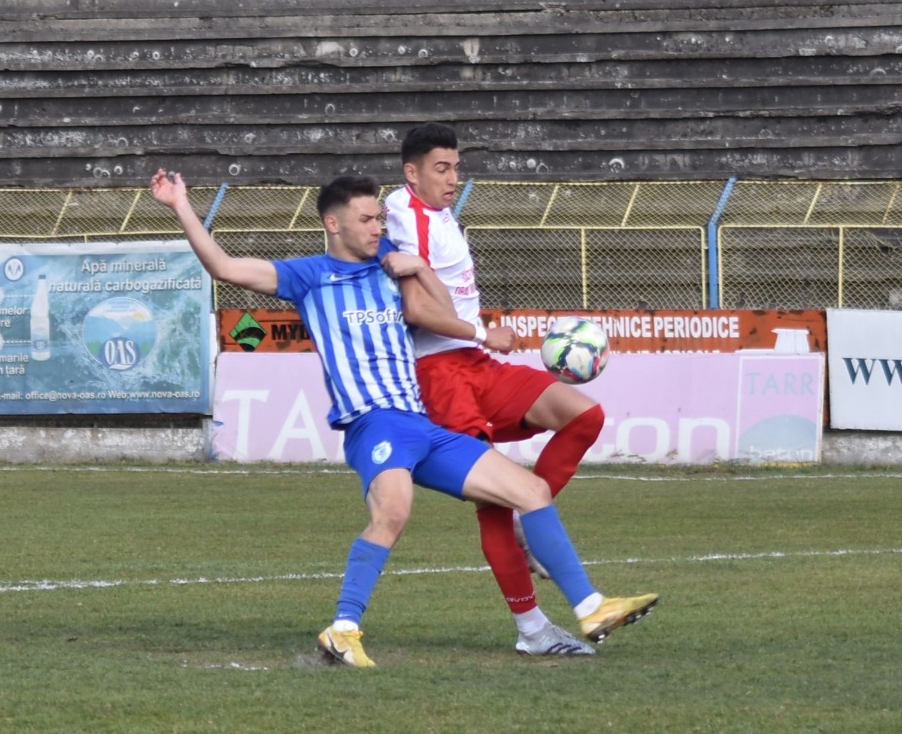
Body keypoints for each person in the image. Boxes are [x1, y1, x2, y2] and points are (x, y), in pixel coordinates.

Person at [149, 169, 658, 668]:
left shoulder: (389, 269)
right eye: (368, 219)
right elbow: (222, 266)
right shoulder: (308, 276)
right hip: (375, 423)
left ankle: (592, 608)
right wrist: (181, 206)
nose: (378, 228)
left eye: (379, 219)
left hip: (423, 425)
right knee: (392, 512)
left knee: (532, 493)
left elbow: (444, 314)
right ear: (334, 224)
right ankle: (344, 629)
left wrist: (418, 267)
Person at [382, 122, 622, 656]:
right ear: (411, 172)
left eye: (456, 167)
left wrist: (482, 338)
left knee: (583, 415)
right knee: (494, 501)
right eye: (441, 168)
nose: (452, 177)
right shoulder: (402, 218)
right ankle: (533, 630)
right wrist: (482, 331)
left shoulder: (439, 216)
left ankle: (526, 526)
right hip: (441, 375)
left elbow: (443, 294)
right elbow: (417, 310)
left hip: (478, 364)